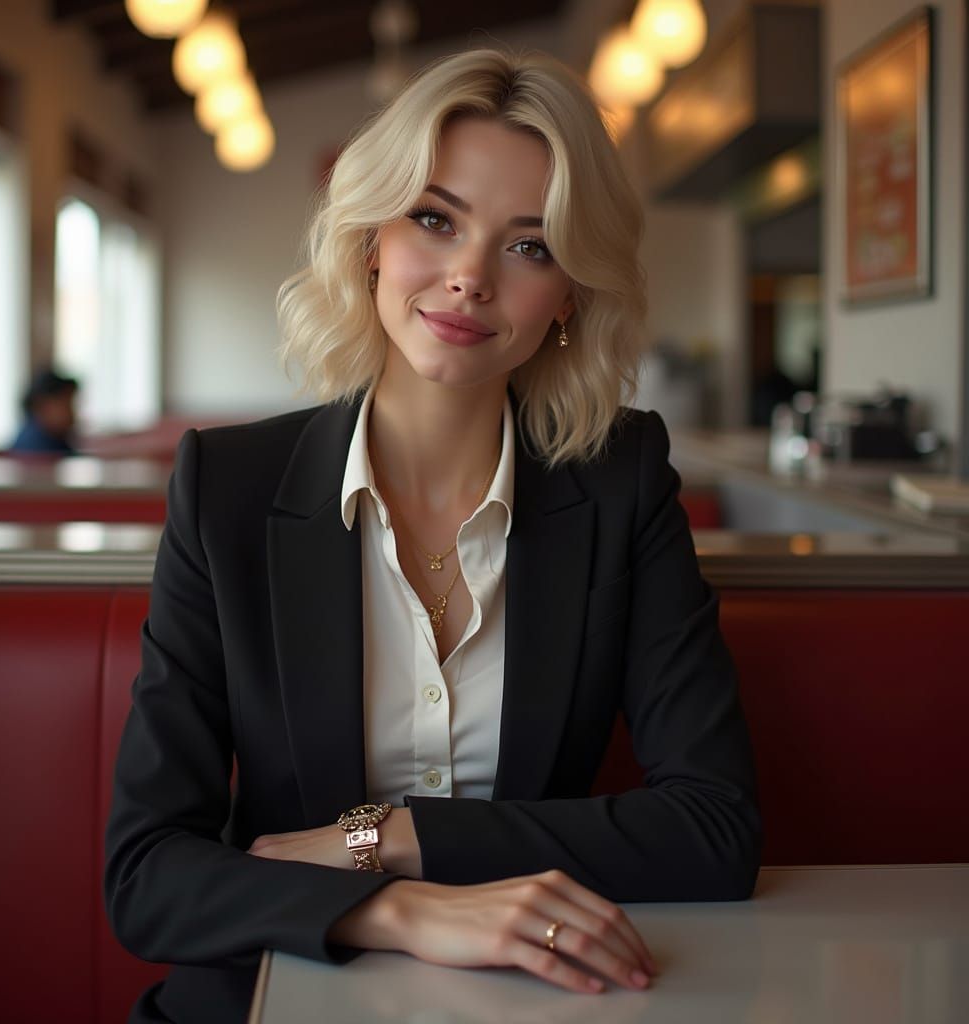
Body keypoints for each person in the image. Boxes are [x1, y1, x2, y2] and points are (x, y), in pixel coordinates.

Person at [105, 49, 761, 1024]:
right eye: (434, 219)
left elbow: (714, 828)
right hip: (273, 988)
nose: (468, 278)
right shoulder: (227, 488)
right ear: (371, 239)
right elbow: (147, 875)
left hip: (531, 997)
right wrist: (401, 908)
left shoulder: (620, 480)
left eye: (529, 245)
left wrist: (392, 838)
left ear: (570, 292)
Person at [10, 367, 79, 454]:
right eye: (67, 405)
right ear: (42, 406)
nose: (72, 414)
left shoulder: (55, 439)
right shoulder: (36, 447)